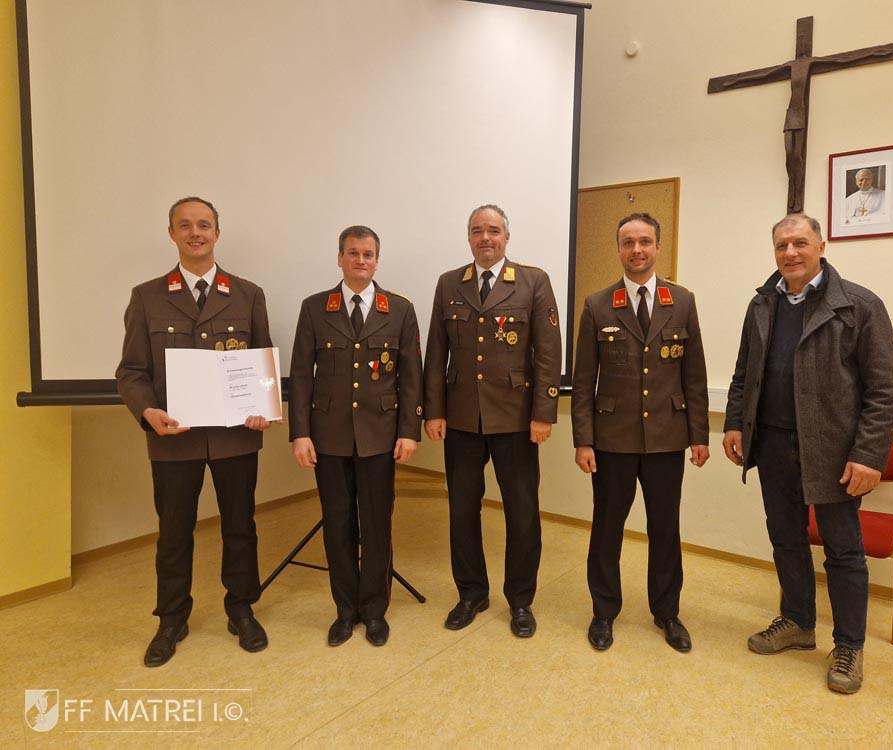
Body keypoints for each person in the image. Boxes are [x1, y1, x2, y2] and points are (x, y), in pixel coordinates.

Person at [722, 213, 893, 694]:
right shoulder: (762, 304)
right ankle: (798, 621)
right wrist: (735, 423)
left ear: (822, 246)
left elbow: (885, 391)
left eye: (800, 243)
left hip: (834, 453)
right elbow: (744, 373)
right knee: (785, 538)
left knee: (843, 551)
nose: (790, 253)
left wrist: (869, 455)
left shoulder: (859, 305)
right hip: (772, 444)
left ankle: (849, 646)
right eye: (782, 245)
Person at [116, 196, 274, 667]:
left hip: (234, 437)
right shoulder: (147, 296)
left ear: (217, 233)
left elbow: (261, 365)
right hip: (173, 439)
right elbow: (131, 371)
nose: (195, 233)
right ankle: (171, 619)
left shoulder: (248, 294)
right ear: (172, 234)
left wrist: (262, 406)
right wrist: (148, 412)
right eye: (185, 225)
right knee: (174, 533)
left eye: (204, 225)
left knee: (240, 527)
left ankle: (241, 609)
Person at [571, 213, 709, 652]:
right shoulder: (597, 305)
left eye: (644, 241)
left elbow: (694, 376)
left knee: (665, 529)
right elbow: (584, 381)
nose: (636, 250)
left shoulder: (681, 301)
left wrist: (699, 435)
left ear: (657, 247)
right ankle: (603, 611)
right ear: (618, 249)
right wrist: (583, 440)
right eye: (628, 242)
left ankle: (667, 612)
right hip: (612, 440)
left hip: (667, 438)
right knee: (606, 528)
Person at [423, 204, 562, 637]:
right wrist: (434, 410)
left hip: (516, 418)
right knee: (462, 510)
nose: (486, 238)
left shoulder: (533, 281)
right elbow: (436, 352)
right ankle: (471, 593)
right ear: (469, 238)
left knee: (522, 512)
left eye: (494, 230)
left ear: (506, 237)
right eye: (477, 231)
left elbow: (548, 353)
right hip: (462, 417)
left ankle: (520, 600)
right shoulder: (449, 283)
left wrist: (543, 414)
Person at [288, 225, 422, 647]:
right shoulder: (315, 308)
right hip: (328, 438)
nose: (360, 260)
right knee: (338, 525)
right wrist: (300, 433)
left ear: (377, 261)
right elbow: (301, 376)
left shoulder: (399, 309)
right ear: (340, 258)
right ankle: (345, 610)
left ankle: (375, 610)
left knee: (377, 525)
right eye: (352, 253)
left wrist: (409, 432)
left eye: (367, 254)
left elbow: (411, 378)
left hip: (380, 437)